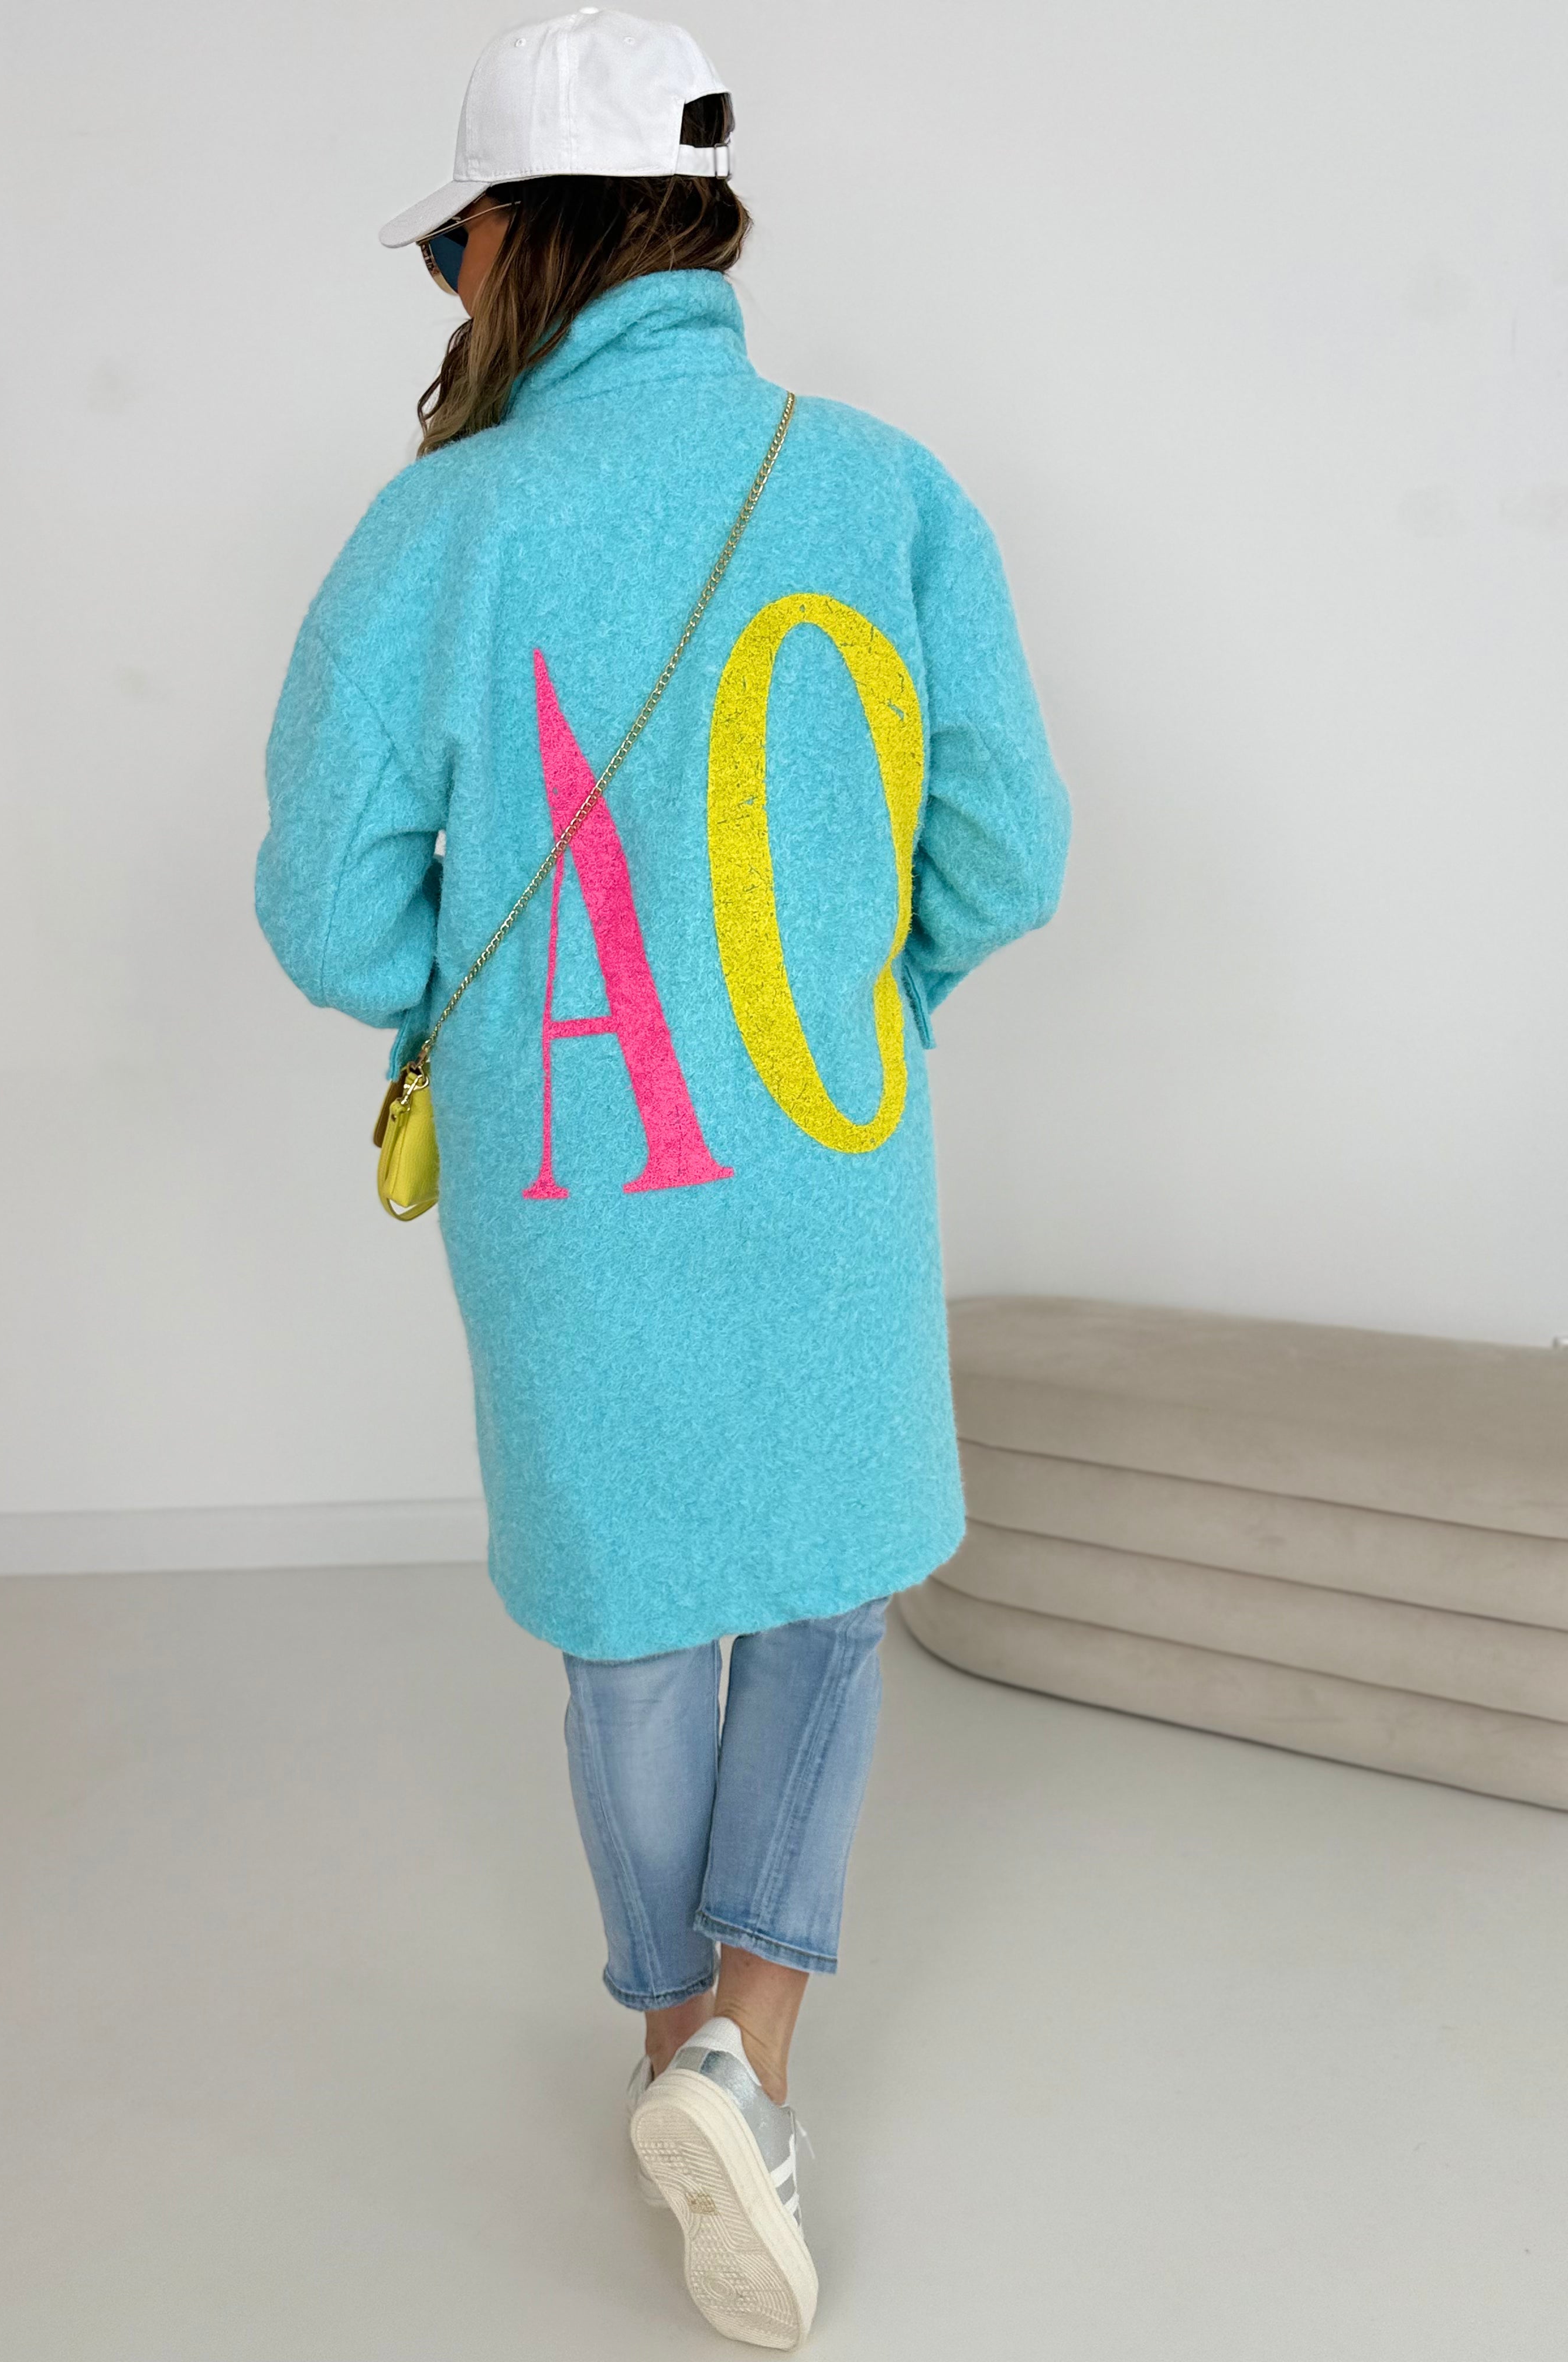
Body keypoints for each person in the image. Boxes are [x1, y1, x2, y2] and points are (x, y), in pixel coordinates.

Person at [256, 10, 1070, 2347]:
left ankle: (670, 2049)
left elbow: (329, 916)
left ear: (512, 242)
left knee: (629, 1619)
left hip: (569, 1169)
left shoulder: (435, 530)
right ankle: (754, 2059)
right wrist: (871, 991)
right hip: (827, 1138)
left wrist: (481, 991)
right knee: (820, 1596)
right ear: (702, 228)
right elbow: (1010, 847)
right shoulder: (886, 488)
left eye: (455, 250)